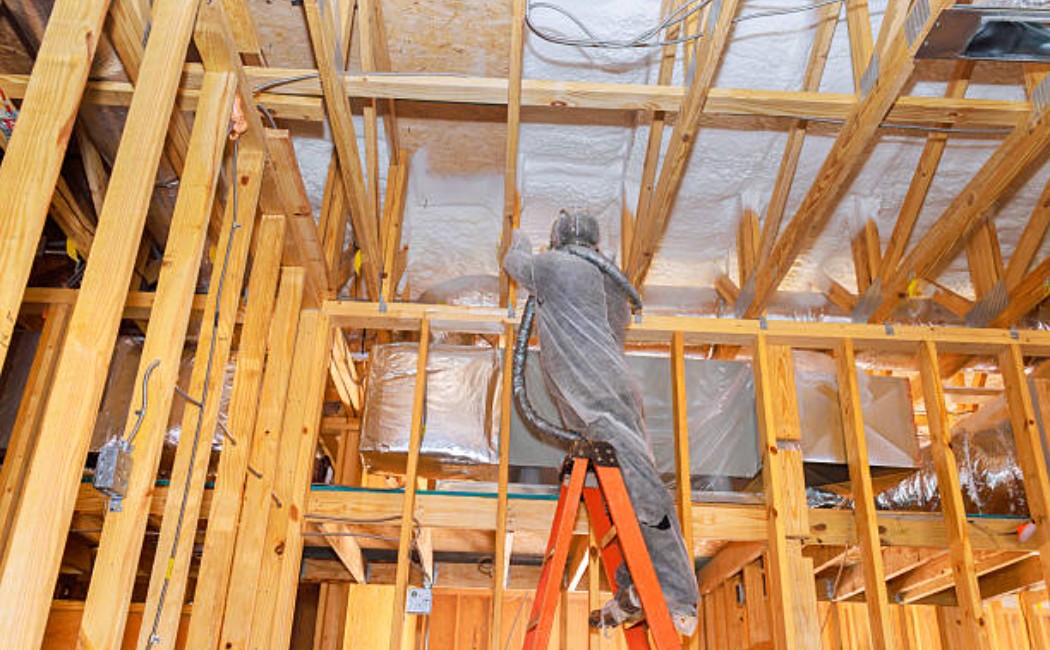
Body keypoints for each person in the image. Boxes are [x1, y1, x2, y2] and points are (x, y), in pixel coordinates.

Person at [503, 210, 699, 635]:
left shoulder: (554, 266)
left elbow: (513, 262)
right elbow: (613, 330)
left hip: (600, 400)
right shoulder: (610, 284)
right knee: (625, 494)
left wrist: (517, 230)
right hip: (610, 394)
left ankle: (679, 598)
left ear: (557, 239)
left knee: (644, 494)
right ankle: (635, 589)